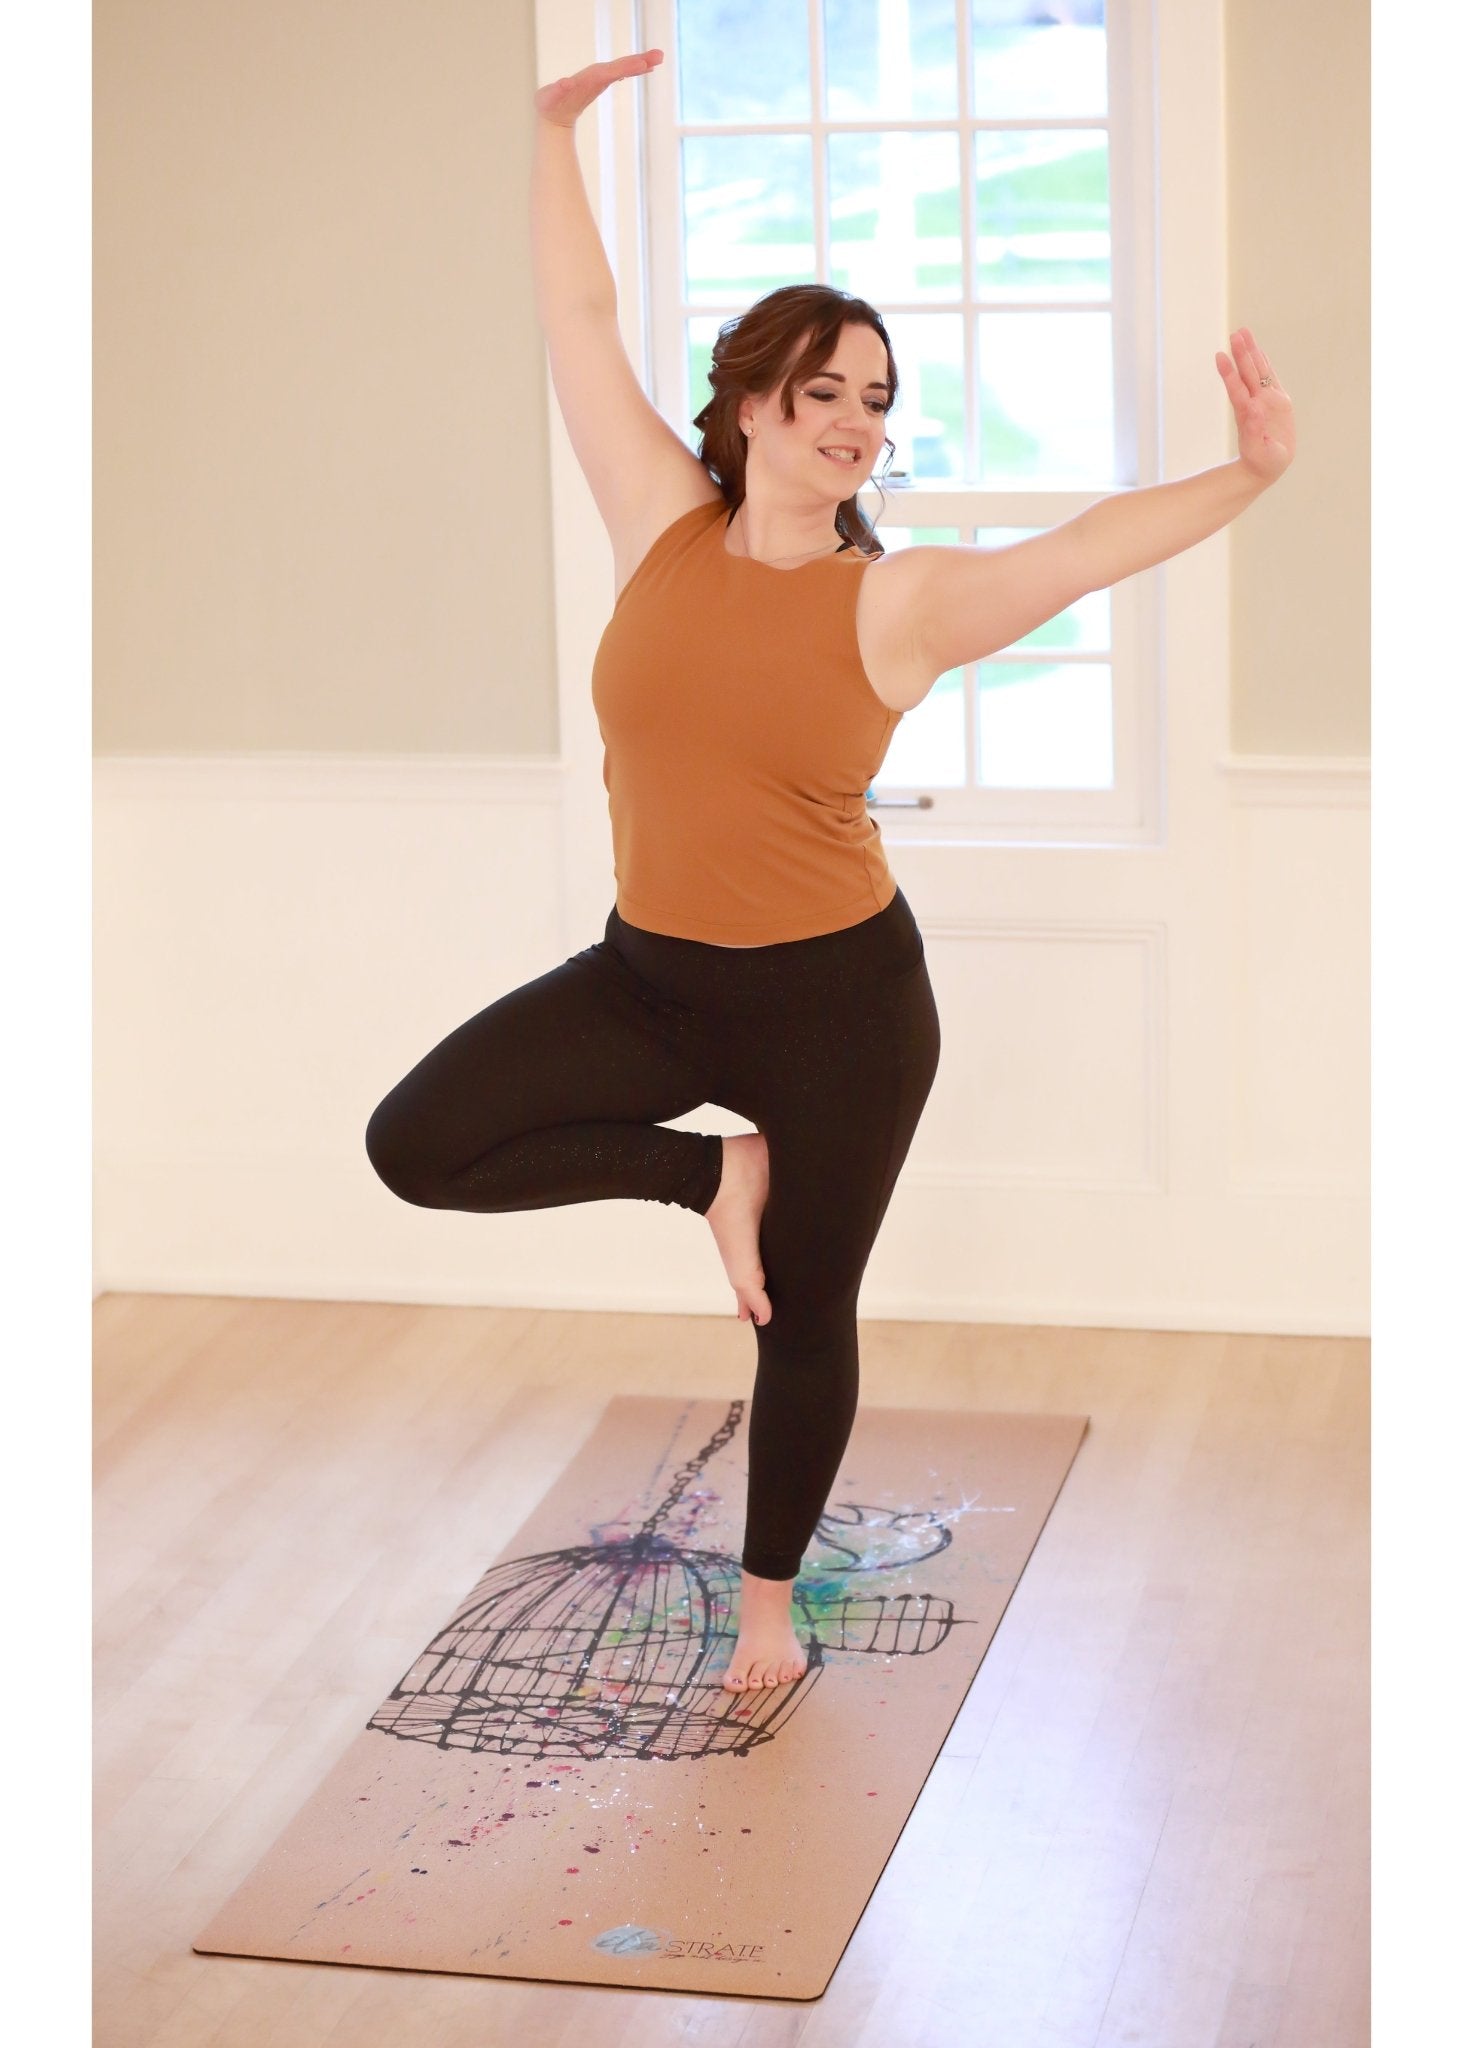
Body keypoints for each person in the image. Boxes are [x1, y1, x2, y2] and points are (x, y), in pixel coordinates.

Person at [364, 48, 1293, 1696]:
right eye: (826, 392)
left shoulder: (898, 602)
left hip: (839, 1008)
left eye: (876, 399)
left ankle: (769, 1605)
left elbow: (1082, 548)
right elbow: (579, 320)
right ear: (750, 405)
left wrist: (1251, 474)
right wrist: (550, 134)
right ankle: (711, 1175)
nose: (859, 421)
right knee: (416, 1144)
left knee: (805, 1311)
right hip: (646, 977)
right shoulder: (660, 522)